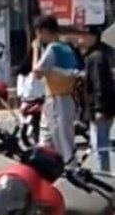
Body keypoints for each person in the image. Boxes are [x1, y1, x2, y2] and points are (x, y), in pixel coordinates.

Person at [33, 15, 82, 165]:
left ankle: (71, 173)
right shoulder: (66, 48)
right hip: (66, 99)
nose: (39, 37)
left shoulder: (52, 48)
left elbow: (37, 73)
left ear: (45, 31)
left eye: (39, 33)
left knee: (63, 144)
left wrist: (35, 50)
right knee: (47, 141)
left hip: (57, 100)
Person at [81, 25, 115, 172]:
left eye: (83, 36)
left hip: (101, 108)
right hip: (104, 107)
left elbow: (99, 84)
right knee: (100, 145)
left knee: (100, 146)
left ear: (92, 37)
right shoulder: (101, 54)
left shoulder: (96, 57)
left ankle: (104, 176)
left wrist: (99, 109)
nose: (80, 39)